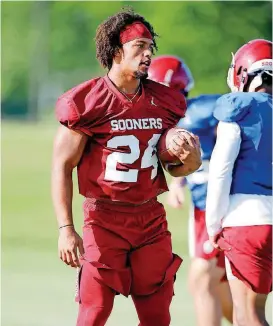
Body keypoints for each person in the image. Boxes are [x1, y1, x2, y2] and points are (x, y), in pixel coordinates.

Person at [52, 8, 202, 326]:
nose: (148, 53)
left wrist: (190, 160)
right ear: (117, 51)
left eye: (151, 47)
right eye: (139, 46)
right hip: (104, 219)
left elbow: (173, 169)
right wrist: (66, 229)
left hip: (150, 219)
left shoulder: (165, 100)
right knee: (94, 312)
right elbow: (62, 166)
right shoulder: (87, 101)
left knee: (158, 316)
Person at [148, 55, 233, 326]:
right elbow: (188, 161)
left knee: (201, 276)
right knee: (218, 283)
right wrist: (177, 183)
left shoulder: (202, 110)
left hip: (226, 205)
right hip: (202, 209)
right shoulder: (158, 125)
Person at [206, 39, 272, 326]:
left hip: (246, 219)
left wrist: (213, 225)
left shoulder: (239, 108)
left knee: (247, 315)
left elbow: (220, 171)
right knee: (255, 309)